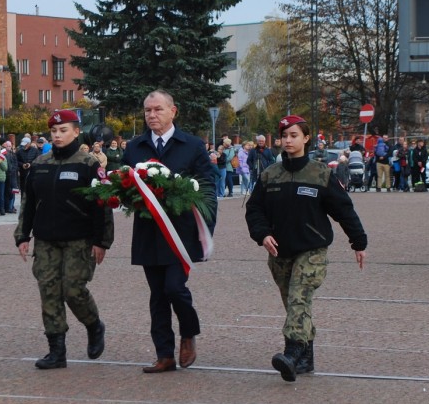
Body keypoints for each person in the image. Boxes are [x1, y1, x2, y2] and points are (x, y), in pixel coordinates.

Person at [245, 115, 367, 382]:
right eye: (285, 136)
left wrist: (359, 242)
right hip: (279, 251)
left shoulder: (320, 173)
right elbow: (254, 210)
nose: (288, 141)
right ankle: (306, 357)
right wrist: (262, 234)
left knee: (299, 298)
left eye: (294, 135)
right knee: (294, 304)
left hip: (312, 249)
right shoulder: (270, 175)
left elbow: (343, 210)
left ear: (306, 138)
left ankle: (291, 352)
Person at [124, 89, 216, 373]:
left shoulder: (191, 145)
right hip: (149, 233)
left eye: (158, 109)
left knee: (175, 288)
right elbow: (126, 187)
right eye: (148, 110)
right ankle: (164, 354)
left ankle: (188, 333)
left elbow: (208, 188)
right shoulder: (135, 147)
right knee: (157, 295)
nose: (152, 115)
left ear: (173, 111)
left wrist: (206, 228)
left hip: (181, 234)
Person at [15, 110, 113, 369]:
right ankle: (56, 351)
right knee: (48, 291)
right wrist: (22, 236)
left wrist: (102, 241)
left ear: (76, 132)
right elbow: (29, 203)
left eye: (63, 131)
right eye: (54, 132)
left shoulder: (89, 164)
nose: (57, 136)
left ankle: (94, 325)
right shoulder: (40, 164)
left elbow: (102, 204)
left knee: (73, 290)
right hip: (46, 239)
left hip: (79, 239)